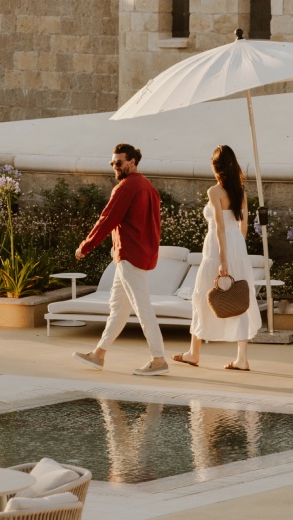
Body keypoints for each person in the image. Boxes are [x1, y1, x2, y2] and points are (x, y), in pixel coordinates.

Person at [72, 142, 169, 376]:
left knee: (142, 308)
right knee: (118, 308)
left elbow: (107, 219)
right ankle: (98, 354)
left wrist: (86, 246)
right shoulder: (148, 187)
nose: (114, 166)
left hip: (129, 255)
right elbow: (155, 225)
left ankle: (158, 359)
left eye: (118, 162)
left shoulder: (126, 187)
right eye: (112, 163)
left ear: (132, 162)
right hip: (135, 255)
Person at [174, 145, 261, 370]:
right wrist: (235, 250)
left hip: (216, 248)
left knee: (202, 294)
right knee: (240, 297)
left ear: (216, 167)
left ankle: (194, 353)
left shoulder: (214, 191)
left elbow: (220, 227)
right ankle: (241, 358)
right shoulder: (240, 192)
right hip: (237, 246)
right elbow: (243, 228)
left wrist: (223, 260)